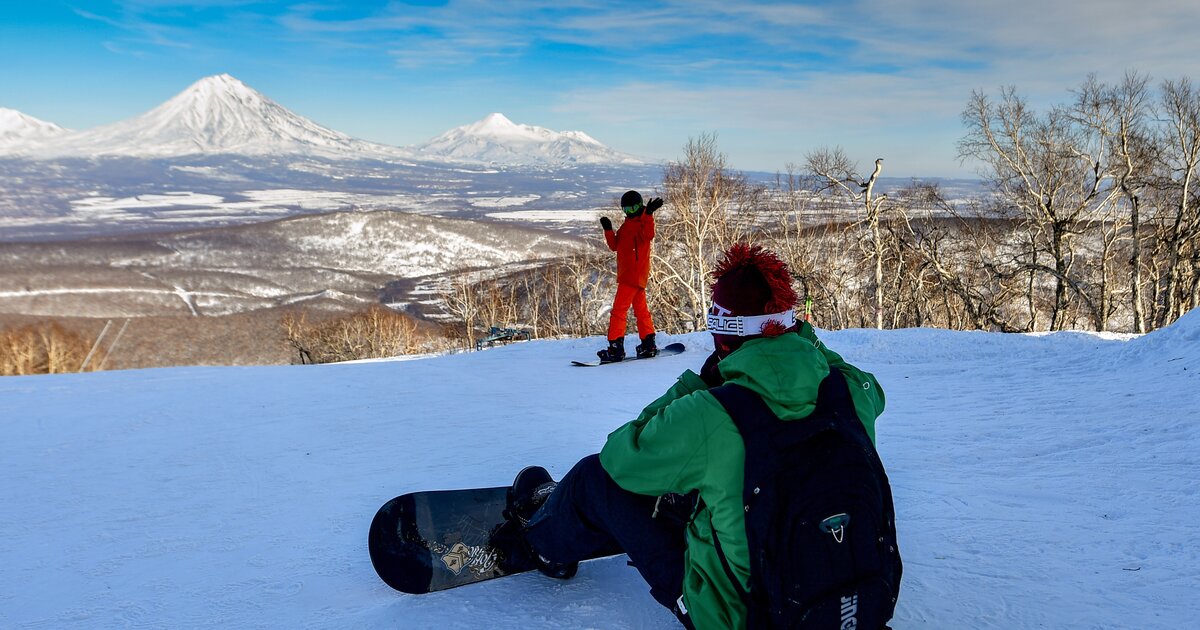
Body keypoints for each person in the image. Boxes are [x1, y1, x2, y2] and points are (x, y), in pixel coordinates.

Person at [496, 243, 896, 629]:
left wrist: (697, 385)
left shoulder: (714, 413)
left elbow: (621, 455)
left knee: (594, 480)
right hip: (851, 604)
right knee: (716, 484)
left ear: (723, 336)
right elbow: (861, 383)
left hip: (741, 619)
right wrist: (793, 335)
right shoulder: (851, 392)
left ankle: (538, 546)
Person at [596, 190, 664, 362]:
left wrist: (648, 214)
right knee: (641, 310)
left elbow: (649, 234)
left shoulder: (642, 223)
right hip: (632, 276)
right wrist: (608, 230)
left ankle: (615, 348)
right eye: (626, 209)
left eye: (634, 207)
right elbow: (615, 246)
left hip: (632, 276)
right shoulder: (627, 225)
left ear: (640, 205)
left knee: (619, 311)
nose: (630, 212)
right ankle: (648, 344)